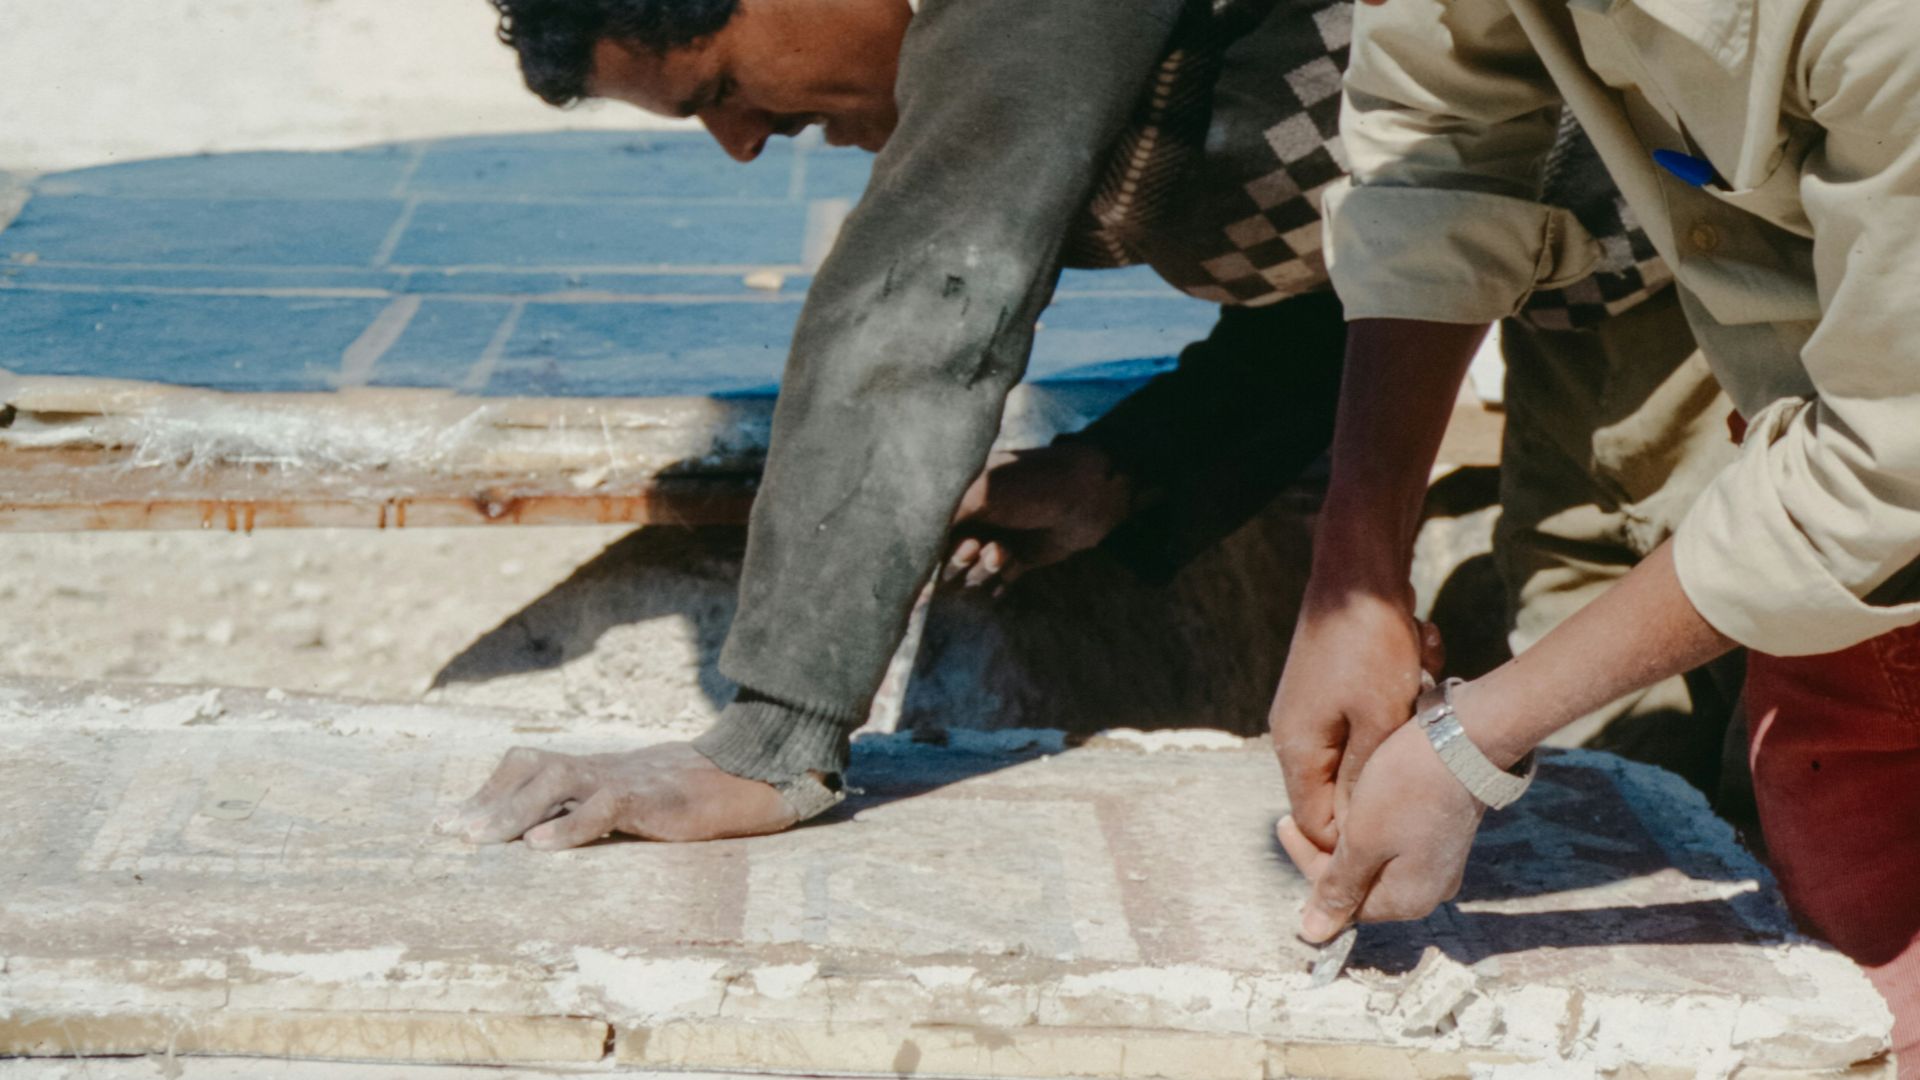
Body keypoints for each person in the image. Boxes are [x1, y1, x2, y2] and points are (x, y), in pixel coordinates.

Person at [441, 0, 1726, 852]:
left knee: (1693, 656)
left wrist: (769, 739)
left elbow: (925, 295)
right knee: (1599, 659)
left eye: (720, 84)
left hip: (1715, 253)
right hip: (1569, 277)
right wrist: (1132, 471)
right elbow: (1365, 279)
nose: (738, 142)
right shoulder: (1101, 75)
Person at [1273, 0, 1920, 1064]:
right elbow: (1437, 140)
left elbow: (1887, 463)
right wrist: (1356, 581)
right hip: (1844, 592)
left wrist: (1467, 747)